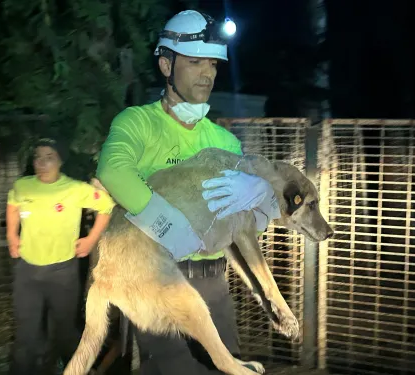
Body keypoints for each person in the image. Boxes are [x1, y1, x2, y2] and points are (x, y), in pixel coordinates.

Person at [95, 10, 280, 375]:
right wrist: (168, 226)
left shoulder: (223, 139)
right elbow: (113, 170)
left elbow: (250, 227)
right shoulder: (137, 122)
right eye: (195, 62)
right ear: (166, 65)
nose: (207, 73)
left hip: (214, 282)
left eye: (212, 63)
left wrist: (260, 197)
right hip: (157, 279)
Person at [6, 137, 116, 375]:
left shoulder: (75, 189)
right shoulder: (23, 186)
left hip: (62, 273)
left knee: (65, 332)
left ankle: (77, 370)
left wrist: (91, 239)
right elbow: (13, 205)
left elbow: (106, 207)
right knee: (26, 334)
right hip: (27, 272)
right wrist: (12, 234)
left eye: (49, 157)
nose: (42, 163)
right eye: (38, 157)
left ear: (60, 161)